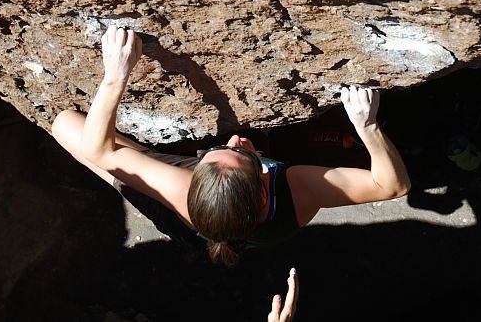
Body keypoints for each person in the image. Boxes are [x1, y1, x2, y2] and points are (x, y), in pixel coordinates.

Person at [51, 25, 410, 265]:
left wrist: (115, 77)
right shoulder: (297, 192)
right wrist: (368, 126)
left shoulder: (179, 188)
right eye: (239, 152)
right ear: (264, 192)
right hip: (216, 222)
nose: (235, 138)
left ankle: (134, 166)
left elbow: (96, 150)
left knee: (67, 126)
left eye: (221, 150)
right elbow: (393, 186)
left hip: (186, 223)